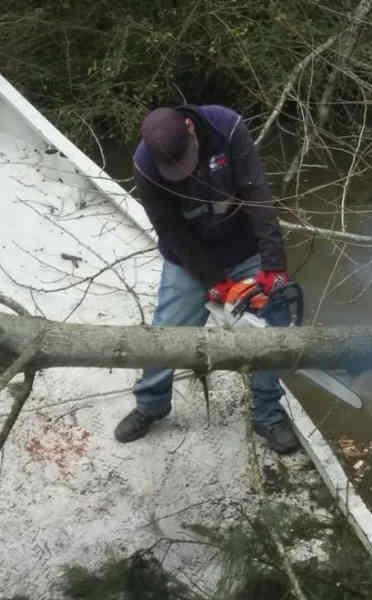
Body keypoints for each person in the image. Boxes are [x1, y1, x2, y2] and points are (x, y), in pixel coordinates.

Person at [114, 104, 300, 454]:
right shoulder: (146, 164)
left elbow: (257, 195)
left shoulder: (226, 127)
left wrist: (273, 265)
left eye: (185, 160)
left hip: (244, 247)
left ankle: (267, 413)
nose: (183, 172)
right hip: (189, 257)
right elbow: (171, 231)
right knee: (165, 333)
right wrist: (214, 281)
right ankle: (151, 404)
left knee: (270, 329)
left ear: (191, 127)